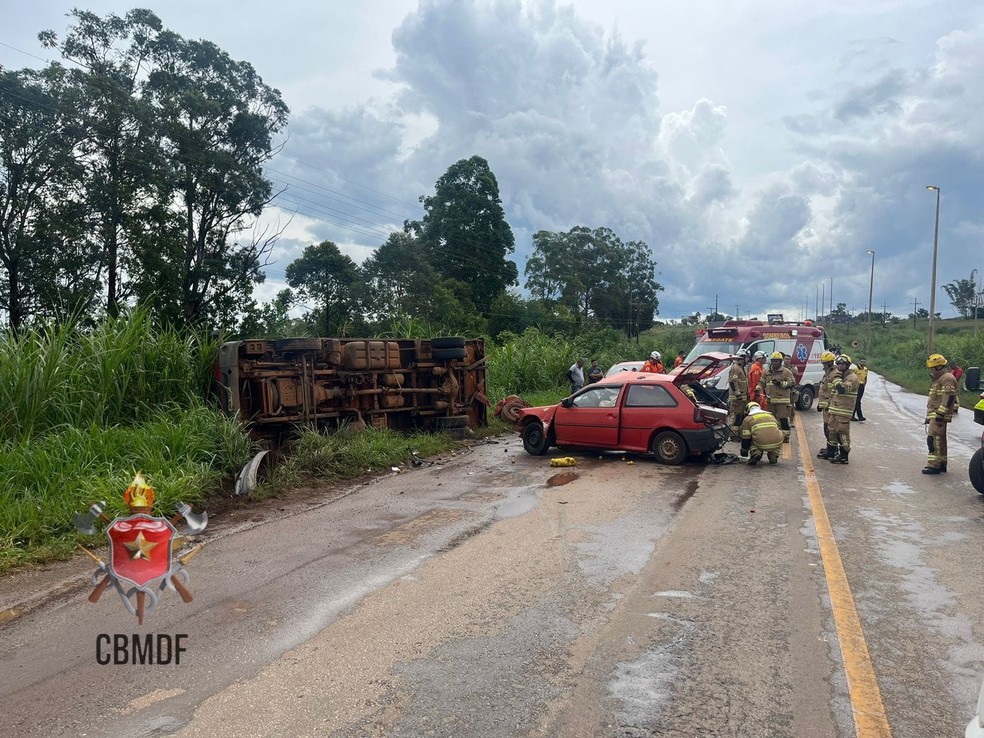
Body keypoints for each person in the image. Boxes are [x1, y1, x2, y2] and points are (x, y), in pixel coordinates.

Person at [922, 353, 958, 474]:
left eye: (932, 367)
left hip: (939, 415)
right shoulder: (939, 379)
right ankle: (941, 463)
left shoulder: (946, 378)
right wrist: (929, 416)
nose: (931, 370)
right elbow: (934, 399)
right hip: (935, 414)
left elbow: (948, 397)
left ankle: (934, 465)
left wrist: (940, 414)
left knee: (933, 440)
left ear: (939, 366)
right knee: (940, 440)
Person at [823, 354, 859, 464]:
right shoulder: (840, 376)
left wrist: (837, 379)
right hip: (834, 409)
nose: (839, 366)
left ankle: (844, 455)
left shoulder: (852, 378)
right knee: (832, 431)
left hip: (844, 411)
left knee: (842, 433)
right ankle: (831, 452)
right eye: (838, 364)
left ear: (848, 365)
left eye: (842, 364)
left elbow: (842, 389)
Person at [758, 351, 795, 442]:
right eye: (773, 361)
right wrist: (758, 388)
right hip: (770, 401)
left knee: (783, 419)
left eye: (776, 361)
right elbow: (762, 382)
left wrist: (781, 384)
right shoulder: (766, 372)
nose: (774, 363)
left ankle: (785, 437)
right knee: (771, 420)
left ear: (780, 362)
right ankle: (773, 436)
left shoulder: (786, 372)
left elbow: (792, 383)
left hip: (782, 401)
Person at [739, 401, 785, 465]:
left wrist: (744, 452)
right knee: (775, 435)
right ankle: (774, 456)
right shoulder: (771, 416)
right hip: (777, 443)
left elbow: (746, 439)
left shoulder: (747, 419)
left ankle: (756, 453)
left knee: (752, 437)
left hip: (761, 443)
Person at [815, 351, 838, 459]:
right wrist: (821, 404)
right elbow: (824, 391)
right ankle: (830, 447)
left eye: (825, 363)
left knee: (830, 429)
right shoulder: (828, 373)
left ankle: (832, 450)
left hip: (831, 406)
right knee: (826, 428)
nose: (823, 365)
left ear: (830, 363)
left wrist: (828, 404)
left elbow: (834, 392)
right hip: (826, 406)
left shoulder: (835, 374)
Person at [727, 349, 750, 438]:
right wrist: (738, 394)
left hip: (742, 398)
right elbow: (733, 382)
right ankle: (733, 435)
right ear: (741, 358)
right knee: (736, 417)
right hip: (737, 399)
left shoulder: (742, 368)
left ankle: (738, 434)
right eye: (746, 357)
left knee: (740, 416)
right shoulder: (735, 368)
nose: (748, 359)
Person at [782, 353, 799, 428]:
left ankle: (791, 421)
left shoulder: (793, 368)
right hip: (783, 389)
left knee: (792, 406)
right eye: (785, 359)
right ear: (783, 360)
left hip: (791, 389)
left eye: (788, 359)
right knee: (783, 406)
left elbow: (796, 374)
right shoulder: (780, 368)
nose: (787, 360)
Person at [852, 357, 869, 421]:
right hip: (857, 386)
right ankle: (860, 416)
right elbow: (852, 377)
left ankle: (852, 415)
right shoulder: (855, 369)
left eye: (864, 362)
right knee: (857, 401)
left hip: (862, 386)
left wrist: (864, 385)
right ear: (859, 362)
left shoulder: (865, 369)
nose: (863, 363)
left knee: (858, 401)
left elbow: (865, 378)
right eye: (862, 361)